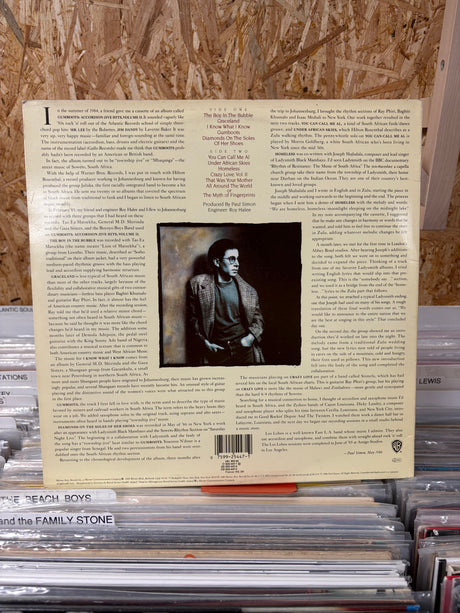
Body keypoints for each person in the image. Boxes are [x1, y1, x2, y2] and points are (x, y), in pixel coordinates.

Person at [187, 238, 264, 365]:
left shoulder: (249, 291)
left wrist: (249, 339)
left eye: (237, 259)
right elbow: (193, 320)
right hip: (217, 352)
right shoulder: (198, 285)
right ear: (217, 262)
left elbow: (258, 320)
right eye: (232, 259)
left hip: (244, 351)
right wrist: (205, 342)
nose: (237, 264)